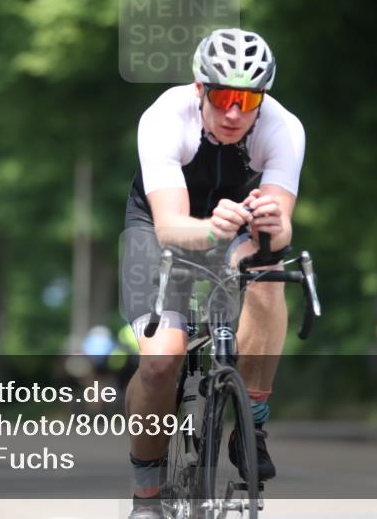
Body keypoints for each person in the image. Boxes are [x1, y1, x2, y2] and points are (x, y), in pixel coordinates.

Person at [121, 28, 305, 518]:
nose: (234, 113)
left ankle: (253, 423)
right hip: (167, 225)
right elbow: (170, 227)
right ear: (200, 88)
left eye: (248, 100)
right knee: (161, 362)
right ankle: (147, 492)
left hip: (238, 225)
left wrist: (273, 230)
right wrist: (209, 234)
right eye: (223, 96)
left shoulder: (283, 130)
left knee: (267, 276)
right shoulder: (164, 118)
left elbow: (278, 229)